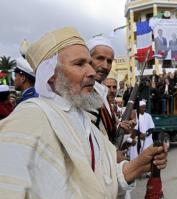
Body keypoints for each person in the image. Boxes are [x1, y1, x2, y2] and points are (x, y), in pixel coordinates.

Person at [0, 27, 167, 198]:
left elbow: (98, 179)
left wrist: (138, 165)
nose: (92, 72)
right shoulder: (29, 119)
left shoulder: (81, 119)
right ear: (50, 74)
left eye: (89, 63)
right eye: (80, 64)